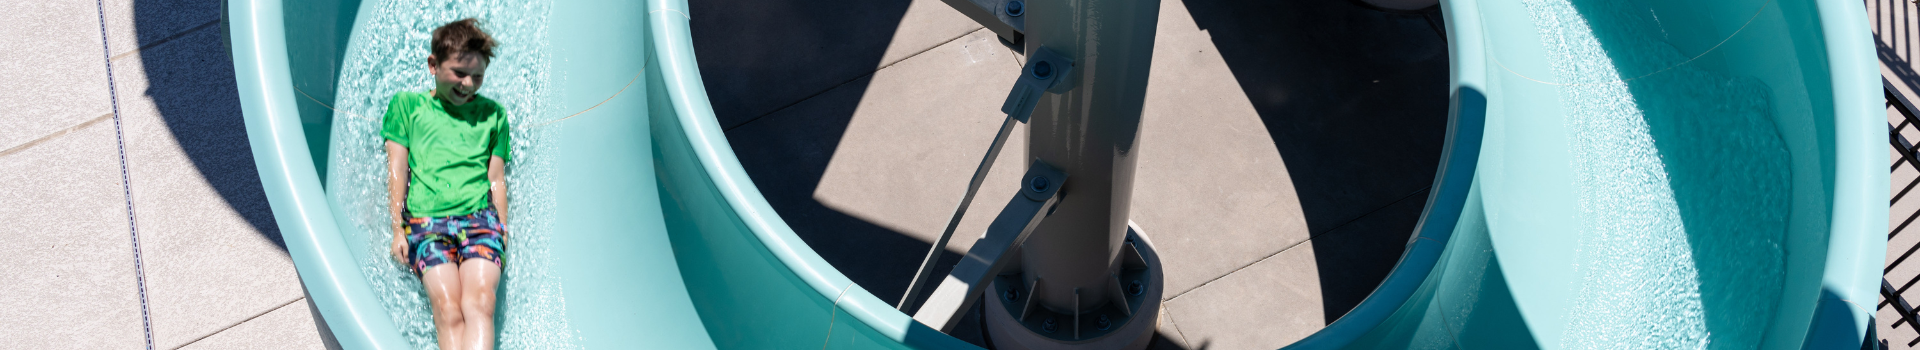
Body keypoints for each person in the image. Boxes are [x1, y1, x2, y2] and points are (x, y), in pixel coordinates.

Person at [382, 18, 510, 350]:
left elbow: (496, 179)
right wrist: (398, 228)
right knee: (448, 309)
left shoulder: (493, 115)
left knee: (481, 303)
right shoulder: (407, 107)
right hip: (426, 223)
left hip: (480, 219)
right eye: (459, 73)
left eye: (478, 76)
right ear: (433, 65)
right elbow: (397, 170)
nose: (468, 84)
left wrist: (503, 227)